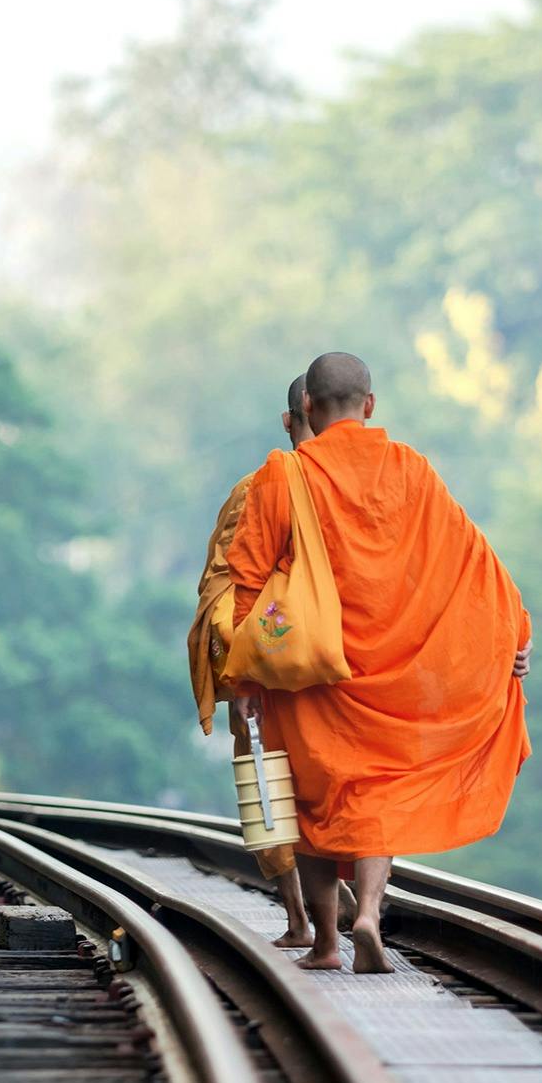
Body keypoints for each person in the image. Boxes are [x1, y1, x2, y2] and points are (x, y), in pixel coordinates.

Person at [227, 352, 533, 973]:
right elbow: (472, 560)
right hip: (395, 673)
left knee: (315, 804)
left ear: (307, 407)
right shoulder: (411, 471)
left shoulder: (281, 477)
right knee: (377, 796)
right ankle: (368, 911)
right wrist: (512, 638)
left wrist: (242, 674)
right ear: (370, 405)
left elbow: (245, 583)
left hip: (312, 674)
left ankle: (326, 943)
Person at [187, 375, 316, 947]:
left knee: (266, 778)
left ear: (288, 420)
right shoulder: (355, 489)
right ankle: (350, 917)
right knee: (331, 781)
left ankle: (299, 919)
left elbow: (226, 584)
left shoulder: (256, 486)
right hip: (334, 664)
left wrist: (234, 667)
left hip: (263, 659)